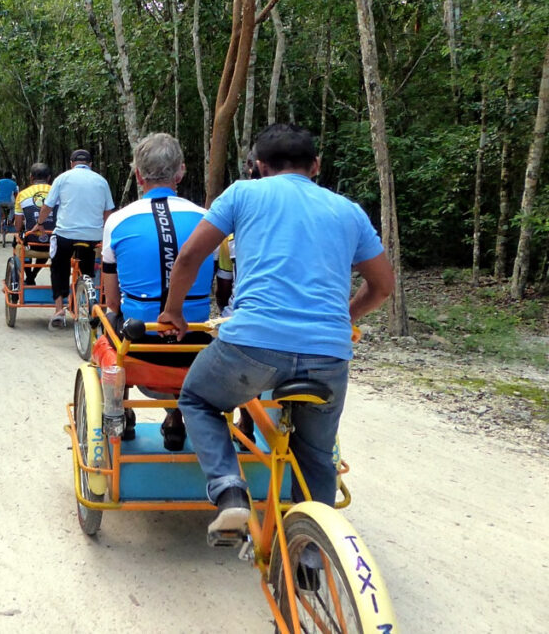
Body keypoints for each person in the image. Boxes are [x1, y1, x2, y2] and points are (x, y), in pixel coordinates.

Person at [156, 123, 394, 542]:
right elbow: (382, 286)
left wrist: (173, 311)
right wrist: (345, 316)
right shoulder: (348, 210)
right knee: (316, 454)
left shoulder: (243, 194)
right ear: (316, 165)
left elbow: (191, 256)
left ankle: (229, 491)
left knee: (195, 398)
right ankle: (312, 551)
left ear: (259, 167)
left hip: (252, 345)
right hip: (328, 355)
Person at [101, 133, 215, 451]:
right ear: (180, 172)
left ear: (138, 174)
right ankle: (175, 420)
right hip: (194, 342)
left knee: (107, 320)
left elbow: (112, 300)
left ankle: (121, 415)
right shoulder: (208, 220)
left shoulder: (118, 221)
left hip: (137, 346)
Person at [38, 149, 115, 329]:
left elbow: (48, 206)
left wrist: (40, 223)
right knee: (87, 265)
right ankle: (88, 296)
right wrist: (105, 234)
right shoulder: (101, 181)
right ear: (91, 164)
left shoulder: (63, 178)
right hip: (92, 237)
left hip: (66, 235)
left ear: (71, 163)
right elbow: (108, 212)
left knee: (58, 266)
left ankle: (58, 310)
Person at [14, 163, 57, 285]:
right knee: (47, 242)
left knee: (21, 241)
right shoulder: (58, 193)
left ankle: (29, 276)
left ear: (31, 178)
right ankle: (33, 275)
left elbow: (17, 226)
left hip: (32, 239)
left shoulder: (22, 194)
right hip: (53, 241)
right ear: (49, 178)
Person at [0, 172, 19, 239]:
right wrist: (17, 201)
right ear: (11, 177)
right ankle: (10, 219)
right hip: (8, 202)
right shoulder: (13, 183)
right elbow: (16, 193)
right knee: (13, 208)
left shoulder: (0, 181)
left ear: (4, 176)